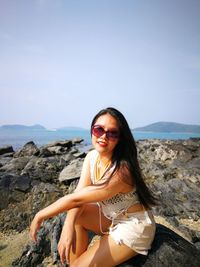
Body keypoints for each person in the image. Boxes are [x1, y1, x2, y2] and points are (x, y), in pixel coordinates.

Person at [30, 107, 157, 267]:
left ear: (120, 138)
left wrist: (40, 215)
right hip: (111, 217)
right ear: (92, 130)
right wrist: (68, 226)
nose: (104, 136)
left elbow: (76, 199)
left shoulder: (122, 171)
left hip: (132, 225)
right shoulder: (92, 157)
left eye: (112, 133)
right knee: (77, 216)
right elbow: (79, 194)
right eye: (99, 130)